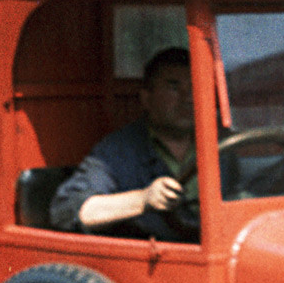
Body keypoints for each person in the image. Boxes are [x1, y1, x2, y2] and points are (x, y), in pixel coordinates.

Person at [48, 47, 198, 241]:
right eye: (174, 87)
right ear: (146, 98)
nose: (188, 98)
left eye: (194, 88)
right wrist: (144, 199)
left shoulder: (220, 144)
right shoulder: (118, 151)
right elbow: (67, 209)